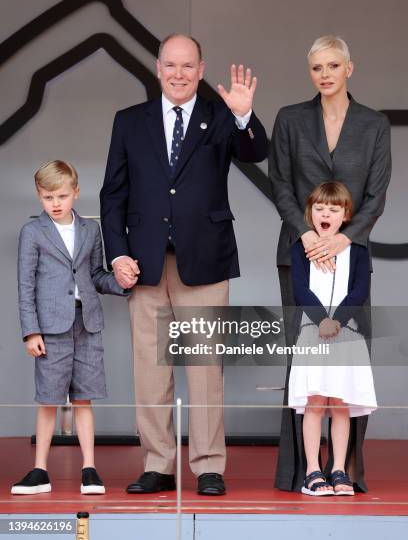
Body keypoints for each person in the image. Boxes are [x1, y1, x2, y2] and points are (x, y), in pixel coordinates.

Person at [100, 33, 268, 495]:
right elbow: (112, 193)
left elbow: (257, 152)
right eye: (171, 65)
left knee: (205, 367)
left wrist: (243, 115)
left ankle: (209, 465)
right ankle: (158, 464)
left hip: (205, 259)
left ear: (201, 69)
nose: (179, 73)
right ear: (157, 68)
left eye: (188, 66)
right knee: (149, 370)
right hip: (145, 263)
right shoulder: (129, 122)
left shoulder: (220, 117)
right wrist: (117, 253)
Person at [268, 35, 391, 492]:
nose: (325, 74)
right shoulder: (290, 119)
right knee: (302, 367)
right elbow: (278, 183)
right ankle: (301, 472)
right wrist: (306, 236)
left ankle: (346, 470)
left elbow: (377, 196)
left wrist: (344, 239)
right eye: (317, 67)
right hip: (296, 254)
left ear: (349, 69)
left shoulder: (374, 124)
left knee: (348, 366)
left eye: (333, 66)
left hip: (352, 257)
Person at [12, 160, 131, 496]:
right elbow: (26, 285)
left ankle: (89, 469)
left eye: (62, 195)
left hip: (87, 322)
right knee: (48, 400)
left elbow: (95, 275)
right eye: (48, 197)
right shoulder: (33, 232)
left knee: (84, 399)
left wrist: (122, 284)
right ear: (39, 196)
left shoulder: (91, 231)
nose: (56, 203)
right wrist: (31, 330)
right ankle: (39, 471)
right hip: (50, 328)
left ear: (76, 193)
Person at [288, 181, 377, 496]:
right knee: (314, 402)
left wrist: (336, 321)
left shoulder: (359, 251)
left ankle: (339, 469)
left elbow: (359, 292)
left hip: (346, 335)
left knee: (340, 402)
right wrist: (321, 321)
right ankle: (313, 470)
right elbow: (301, 290)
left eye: (333, 209)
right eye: (319, 208)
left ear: (346, 214)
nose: (325, 213)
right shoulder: (300, 248)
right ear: (310, 213)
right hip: (313, 333)